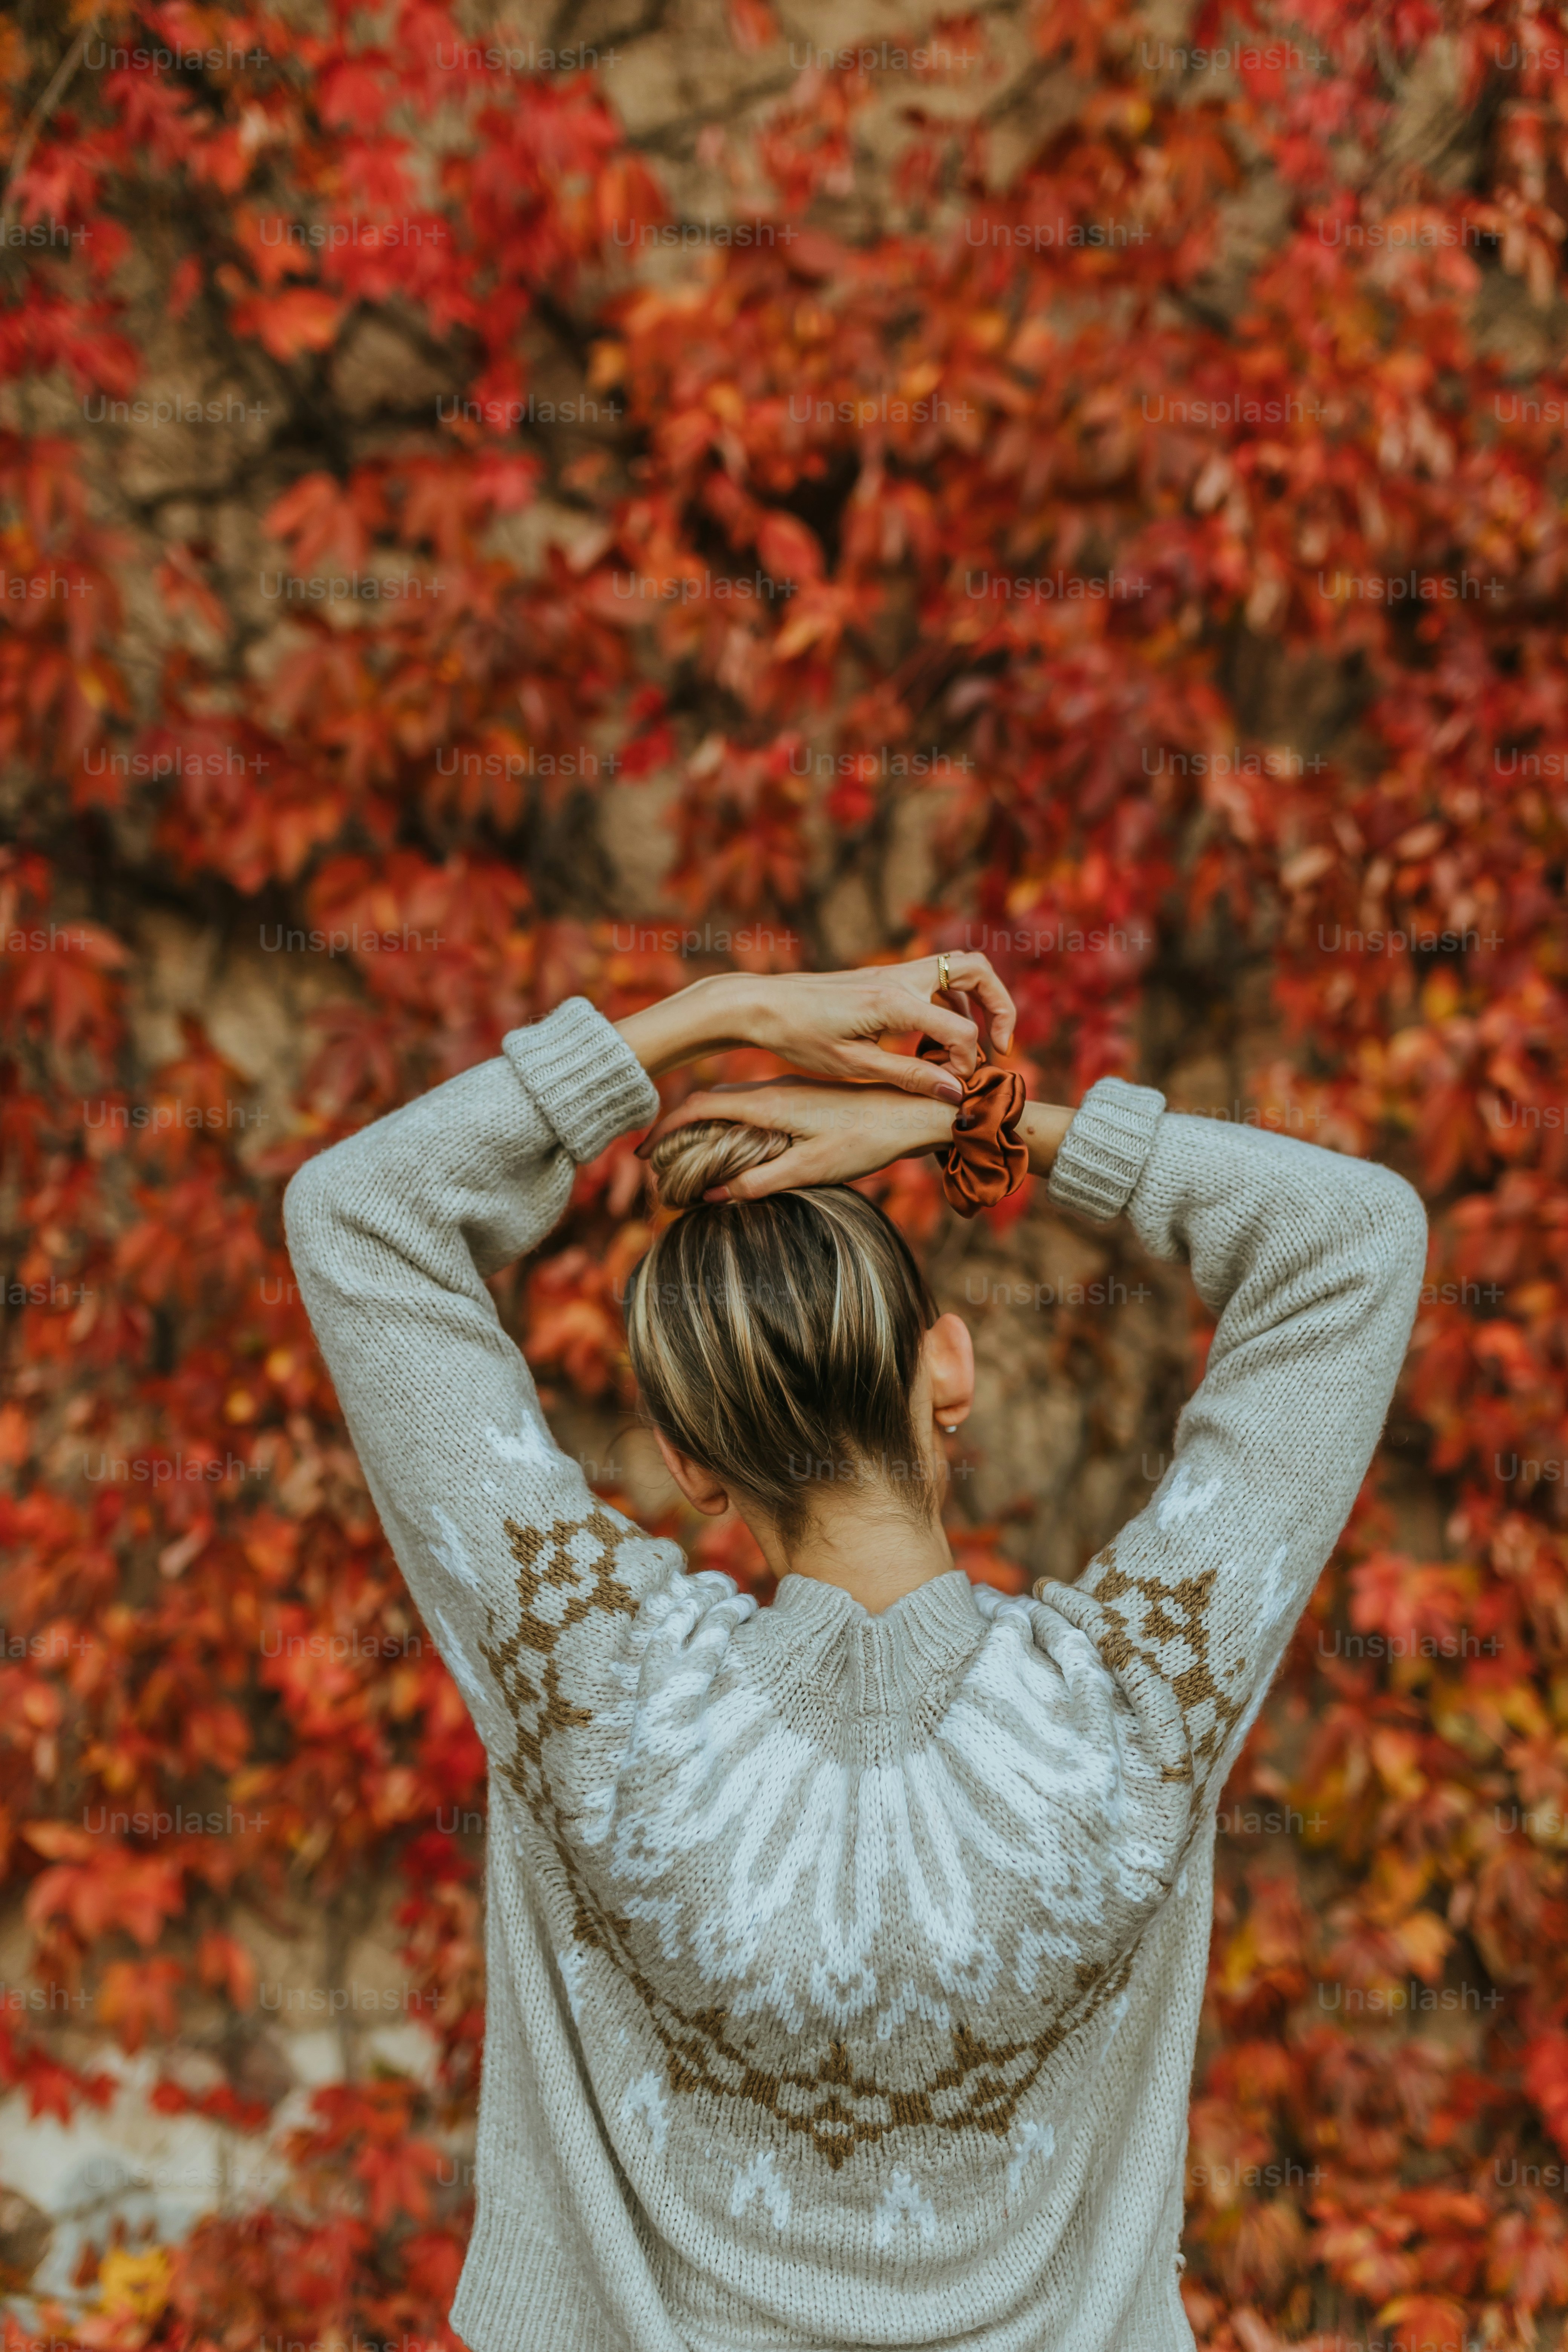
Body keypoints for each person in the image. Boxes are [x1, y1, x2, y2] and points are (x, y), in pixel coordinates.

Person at [283, 953, 1427, 2352]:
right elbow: (1354, 1241)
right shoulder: (1139, 1698)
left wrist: (718, 1013)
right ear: (949, 1370)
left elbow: (358, 1213)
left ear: (693, 1466)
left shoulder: (591, 1679)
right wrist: (984, 1123)